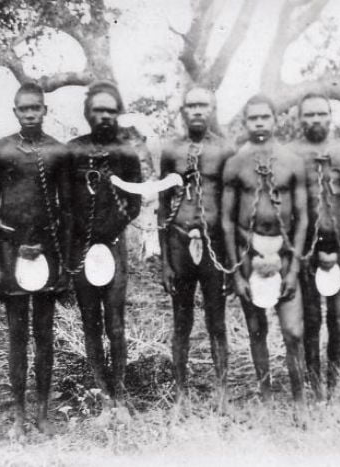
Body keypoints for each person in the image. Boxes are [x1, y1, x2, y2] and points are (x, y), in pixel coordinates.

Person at [0, 82, 72, 436]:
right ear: (15, 112)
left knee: (45, 336)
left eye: (36, 108)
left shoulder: (57, 152)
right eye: (24, 109)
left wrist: (65, 264)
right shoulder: (1, 150)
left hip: (47, 254)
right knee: (17, 336)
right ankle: (19, 415)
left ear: (46, 110)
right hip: (11, 253)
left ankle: (44, 413)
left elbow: (66, 212)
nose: (31, 114)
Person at [221, 94, 308, 403]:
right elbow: (227, 222)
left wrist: (294, 269)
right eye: (253, 118)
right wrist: (237, 274)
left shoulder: (293, 162)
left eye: (265, 117)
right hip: (248, 255)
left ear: (275, 120)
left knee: (293, 332)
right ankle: (266, 396)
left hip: (283, 255)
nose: (259, 123)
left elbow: (303, 218)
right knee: (256, 330)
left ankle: (299, 398)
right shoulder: (235, 164)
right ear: (245, 122)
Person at [67, 81, 141, 408]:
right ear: (88, 113)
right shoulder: (72, 150)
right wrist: (82, 231)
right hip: (81, 248)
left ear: (118, 113)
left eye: (111, 110)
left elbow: (135, 201)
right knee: (90, 321)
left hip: (113, 245)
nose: (105, 116)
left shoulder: (126, 151)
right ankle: (101, 390)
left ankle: (120, 389)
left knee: (115, 322)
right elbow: (64, 200)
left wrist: (111, 228)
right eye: (99, 110)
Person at [157, 87, 234, 402]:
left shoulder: (225, 150)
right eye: (191, 106)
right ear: (183, 111)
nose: (198, 111)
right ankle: (180, 394)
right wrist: (164, 260)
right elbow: (162, 204)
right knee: (181, 319)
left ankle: (222, 392)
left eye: (204, 105)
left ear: (213, 108)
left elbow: (231, 207)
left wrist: (230, 260)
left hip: (213, 243)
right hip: (178, 240)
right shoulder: (171, 150)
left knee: (216, 319)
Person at [287, 93, 340, 399]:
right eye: (309, 114)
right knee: (312, 318)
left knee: (337, 316)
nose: (315, 120)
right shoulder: (291, 156)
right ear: (299, 118)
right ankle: (313, 381)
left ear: (330, 116)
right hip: (306, 247)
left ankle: (334, 380)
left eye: (321, 114)